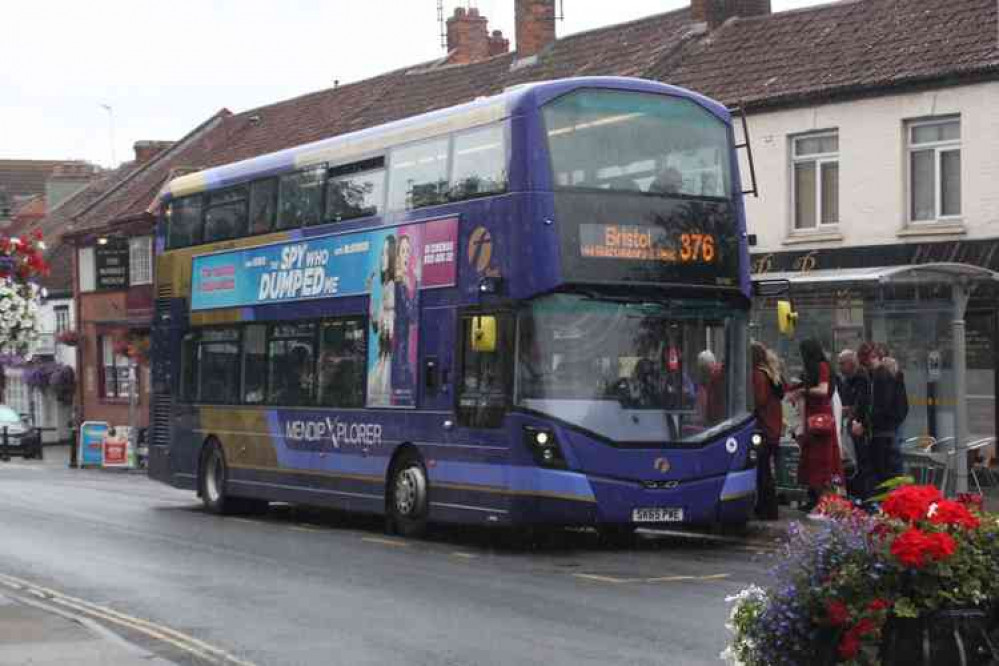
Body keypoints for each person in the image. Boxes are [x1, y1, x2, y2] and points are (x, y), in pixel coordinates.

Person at [788, 338, 842, 512]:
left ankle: (822, 500)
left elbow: (823, 390)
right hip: (815, 418)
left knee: (820, 462)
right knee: (813, 460)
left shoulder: (821, 367)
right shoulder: (818, 367)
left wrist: (803, 390)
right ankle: (814, 497)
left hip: (819, 418)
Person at [751, 342, 784, 521]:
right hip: (772, 428)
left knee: (762, 471)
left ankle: (766, 509)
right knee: (766, 470)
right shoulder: (770, 373)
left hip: (764, 428)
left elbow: (758, 400)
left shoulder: (758, 375)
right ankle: (768, 508)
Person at [838, 349, 872, 498]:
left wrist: (851, 413)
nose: (840, 367)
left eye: (842, 364)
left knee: (861, 463)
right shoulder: (847, 380)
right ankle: (853, 493)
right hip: (848, 426)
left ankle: (862, 495)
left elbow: (862, 403)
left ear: (851, 363)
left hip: (859, 427)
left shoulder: (861, 378)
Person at [882, 356, 909, 476]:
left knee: (894, 454)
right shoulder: (897, 382)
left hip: (892, 424)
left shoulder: (892, 384)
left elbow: (897, 405)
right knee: (895, 454)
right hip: (895, 422)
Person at [696, 350, 726, 426]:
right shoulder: (711, 378)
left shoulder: (717, 375)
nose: (702, 371)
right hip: (716, 418)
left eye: (703, 368)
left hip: (719, 419)